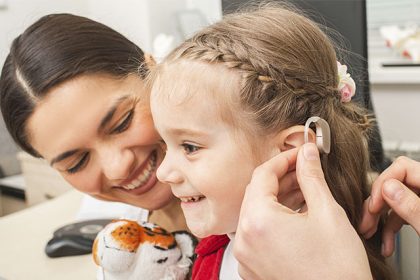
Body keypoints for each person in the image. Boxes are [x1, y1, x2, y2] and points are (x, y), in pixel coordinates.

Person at [149, 4, 395, 280]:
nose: (163, 172)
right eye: (165, 144)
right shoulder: (214, 252)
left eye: (190, 147)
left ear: (291, 151)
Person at [0, 14, 301, 232]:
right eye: (77, 162)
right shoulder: (120, 233)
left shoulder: (291, 219)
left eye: (122, 123)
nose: (118, 167)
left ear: (152, 71)